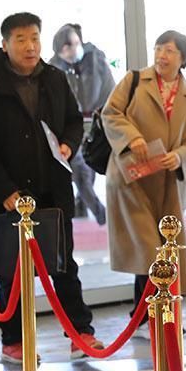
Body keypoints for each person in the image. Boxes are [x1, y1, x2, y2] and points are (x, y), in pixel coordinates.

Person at [0, 12, 103, 363]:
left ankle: (80, 333)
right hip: (10, 194)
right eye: (20, 39)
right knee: (13, 267)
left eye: (34, 37)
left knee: (63, 264)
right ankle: (13, 340)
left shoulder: (53, 77)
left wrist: (68, 144)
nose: (30, 46)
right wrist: (4, 189)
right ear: (5, 45)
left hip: (52, 187)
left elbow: (73, 121)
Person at [101, 30, 186, 308]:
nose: (162, 56)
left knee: (167, 248)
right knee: (147, 248)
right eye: (159, 49)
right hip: (132, 178)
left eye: (170, 51)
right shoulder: (134, 81)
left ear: (183, 58)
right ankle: (150, 311)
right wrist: (132, 137)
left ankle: (158, 311)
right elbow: (110, 113)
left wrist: (179, 156)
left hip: (169, 182)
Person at [49, 23, 115, 225]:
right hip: (71, 127)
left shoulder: (96, 60)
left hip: (96, 124)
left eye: (75, 44)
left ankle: (82, 204)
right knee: (80, 171)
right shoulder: (54, 68)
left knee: (89, 166)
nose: (72, 51)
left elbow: (108, 91)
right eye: (66, 48)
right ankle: (101, 213)